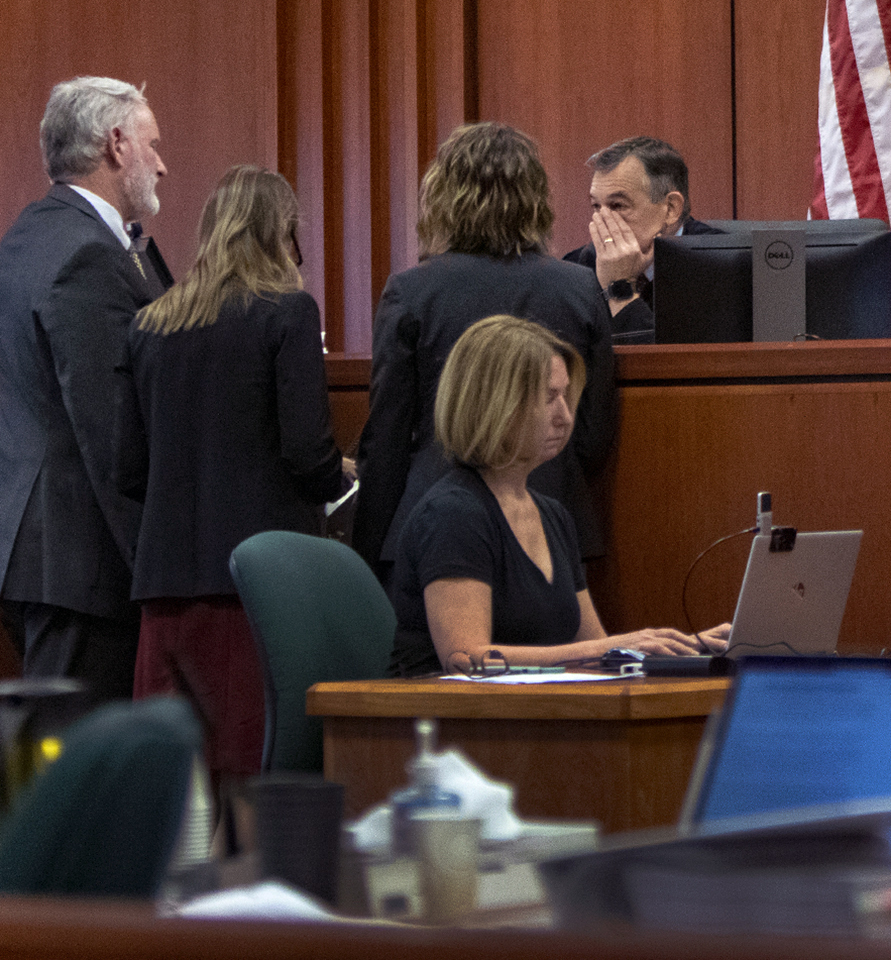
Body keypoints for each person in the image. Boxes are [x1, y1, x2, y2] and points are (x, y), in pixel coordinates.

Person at [115, 166, 352, 775]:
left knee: (173, 785)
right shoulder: (287, 313)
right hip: (259, 585)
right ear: (280, 233)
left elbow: (129, 469)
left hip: (163, 586)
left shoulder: (149, 325)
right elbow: (307, 452)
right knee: (254, 777)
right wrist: (342, 481)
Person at [386, 316, 725, 675]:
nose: (565, 416)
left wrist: (690, 648)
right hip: (448, 721)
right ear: (496, 404)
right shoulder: (452, 515)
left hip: (538, 716)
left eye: (566, 396)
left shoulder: (552, 514)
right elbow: (466, 658)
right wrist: (613, 645)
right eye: (549, 398)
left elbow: (593, 651)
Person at [356, 123, 617, 568]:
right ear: (536, 198)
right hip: (550, 522)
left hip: (433, 525)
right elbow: (592, 437)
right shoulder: (579, 288)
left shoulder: (412, 291)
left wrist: (366, 552)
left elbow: (387, 439)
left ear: (443, 197)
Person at [0, 76, 171, 702]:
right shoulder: (84, 253)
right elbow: (109, 425)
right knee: (77, 772)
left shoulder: (32, 232)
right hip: (83, 562)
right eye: (153, 144)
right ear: (117, 144)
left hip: (43, 555)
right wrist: (152, 566)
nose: (162, 162)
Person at [561, 136, 723, 342]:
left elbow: (666, 369)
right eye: (596, 206)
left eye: (618, 206)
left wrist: (619, 290)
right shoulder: (579, 266)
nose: (602, 222)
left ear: (671, 209)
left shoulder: (719, 267)